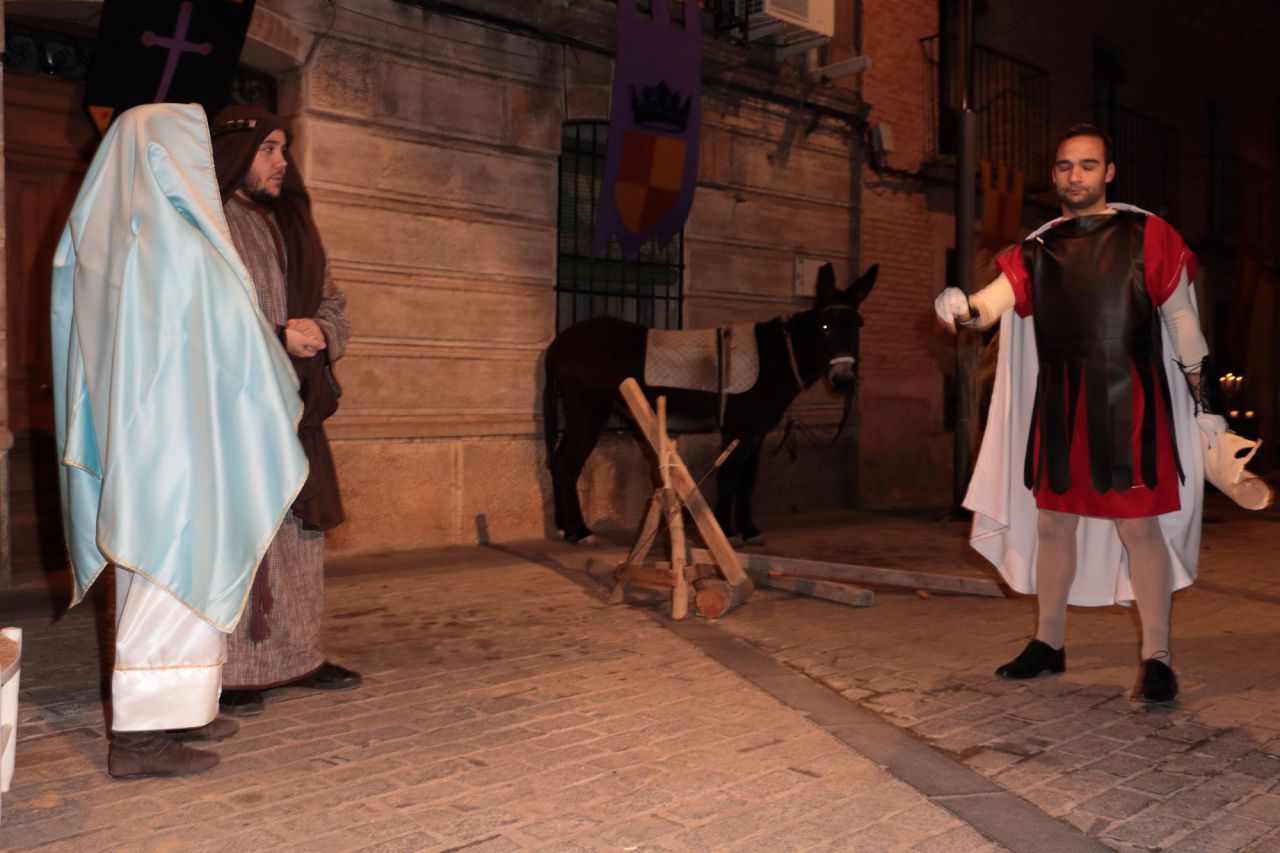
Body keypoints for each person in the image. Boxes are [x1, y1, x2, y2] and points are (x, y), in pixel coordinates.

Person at [51, 103, 309, 776]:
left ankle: (182, 709)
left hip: (159, 433)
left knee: (173, 573)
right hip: (175, 437)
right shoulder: (169, 239)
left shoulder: (114, 232)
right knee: (170, 577)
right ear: (163, 157)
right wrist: (270, 382)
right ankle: (140, 741)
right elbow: (219, 338)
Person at [934, 124, 1228, 703]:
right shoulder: (1036, 250)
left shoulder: (1150, 234)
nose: (1076, 176)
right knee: (1052, 524)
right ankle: (1049, 643)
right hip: (1060, 404)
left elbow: (1182, 322)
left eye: (1088, 165)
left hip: (1132, 401)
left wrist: (1206, 404)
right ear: (1054, 175)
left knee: (1139, 526)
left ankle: (1158, 657)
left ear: (1108, 173)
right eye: (1066, 166)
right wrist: (961, 308)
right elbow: (990, 305)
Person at [209, 106, 360, 715]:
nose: (281, 162)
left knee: (298, 539)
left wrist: (322, 332)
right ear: (234, 154)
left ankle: (297, 658)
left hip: (294, 411)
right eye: (268, 149)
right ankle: (230, 673)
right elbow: (198, 315)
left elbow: (333, 302)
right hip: (230, 413)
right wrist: (275, 337)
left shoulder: (295, 224)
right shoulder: (209, 222)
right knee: (241, 543)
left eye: (284, 148)